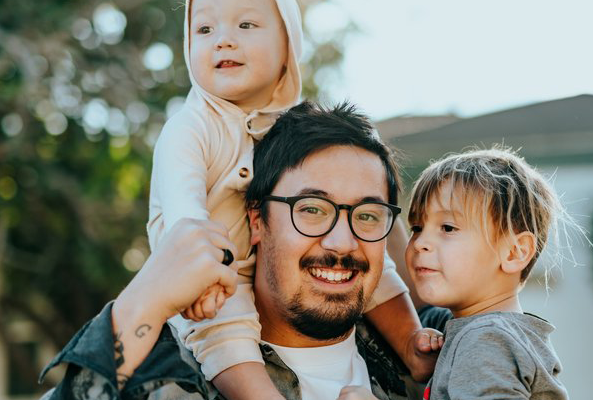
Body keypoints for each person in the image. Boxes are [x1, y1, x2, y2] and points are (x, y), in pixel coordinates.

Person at [42, 101, 445, 400]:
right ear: (257, 221)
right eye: (311, 210)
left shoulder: (446, 352)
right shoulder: (174, 381)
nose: (342, 242)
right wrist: (143, 300)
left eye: (368, 215)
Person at [146, 0, 437, 398]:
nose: (223, 42)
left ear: (289, 45)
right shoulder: (190, 129)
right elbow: (184, 223)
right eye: (205, 31)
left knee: (373, 262)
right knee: (223, 329)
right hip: (212, 280)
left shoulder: (294, 128)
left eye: (246, 25)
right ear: (257, 218)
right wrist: (200, 280)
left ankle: (409, 342)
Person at [405, 148, 571, 399]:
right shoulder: (493, 335)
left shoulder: (485, 340)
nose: (419, 243)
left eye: (448, 228)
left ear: (515, 252)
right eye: (417, 228)